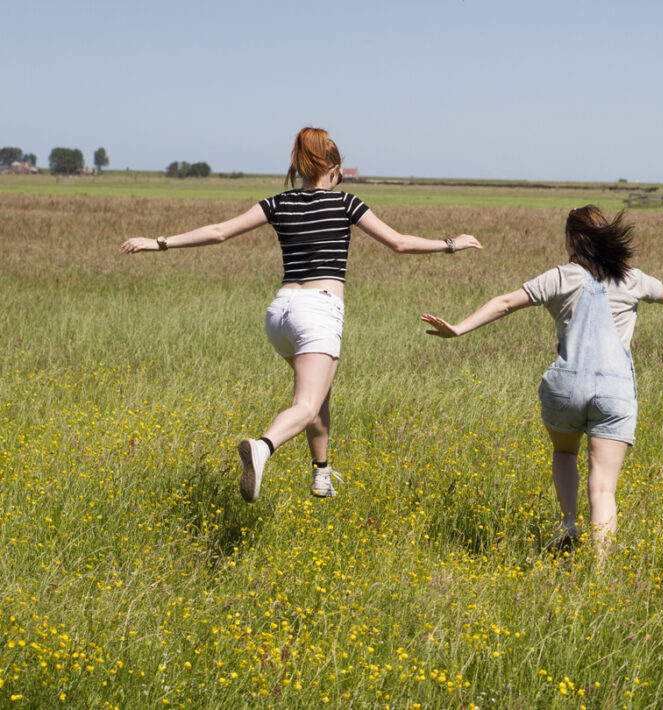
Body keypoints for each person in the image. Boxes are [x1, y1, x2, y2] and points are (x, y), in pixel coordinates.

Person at [121, 126, 482, 503]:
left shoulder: (278, 203)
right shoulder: (346, 202)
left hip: (279, 314)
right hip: (318, 310)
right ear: (334, 168)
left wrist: (159, 242)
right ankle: (262, 447)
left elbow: (219, 232)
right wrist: (451, 244)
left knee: (319, 394)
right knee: (306, 405)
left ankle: (321, 474)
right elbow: (400, 243)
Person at [421, 205, 663, 560]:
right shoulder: (629, 278)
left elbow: (504, 303)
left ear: (570, 239)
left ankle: (568, 523)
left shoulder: (560, 277)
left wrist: (458, 329)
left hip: (566, 388)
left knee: (564, 452)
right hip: (615, 391)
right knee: (604, 487)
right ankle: (600, 568)